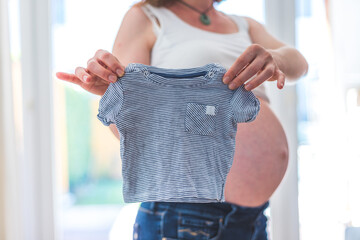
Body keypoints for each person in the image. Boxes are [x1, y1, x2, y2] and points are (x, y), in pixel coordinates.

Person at [56, 0, 308, 239]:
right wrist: (120, 99)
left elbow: (299, 63)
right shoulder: (147, 17)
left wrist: (275, 59)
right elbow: (129, 126)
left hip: (252, 218)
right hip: (184, 215)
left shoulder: (245, 25)